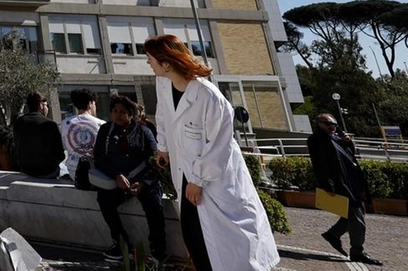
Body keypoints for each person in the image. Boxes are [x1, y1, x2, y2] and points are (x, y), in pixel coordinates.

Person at [145, 34, 278, 271]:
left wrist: (197, 180)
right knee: (194, 236)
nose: (148, 63)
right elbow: (163, 114)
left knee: (229, 243)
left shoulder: (208, 96)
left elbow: (220, 143)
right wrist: (163, 146)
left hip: (213, 180)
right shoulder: (164, 83)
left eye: (150, 58)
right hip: (185, 173)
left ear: (166, 62)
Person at [93, 95, 167, 263]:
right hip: (118, 180)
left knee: (154, 206)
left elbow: (155, 162)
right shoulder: (105, 131)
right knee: (104, 200)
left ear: (131, 114)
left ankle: (158, 251)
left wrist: (142, 183)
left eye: (123, 112)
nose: (118, 115)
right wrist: (116, 175)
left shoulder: (145, 132)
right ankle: (121, 244)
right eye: (115, 111)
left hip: (144, 181)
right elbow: (100, 158)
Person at [309, 113, 381, 265]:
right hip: (340, 183)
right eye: (328, 124)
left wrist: (348, 143)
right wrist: (327, 185)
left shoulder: (338, 139)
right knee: (356, 216)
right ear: (319, 124)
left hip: (353, 182)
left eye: (334, 125)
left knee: (358, 212)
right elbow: (319, 164)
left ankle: (334, 234)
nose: (332, 128)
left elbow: (350, 156)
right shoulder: (317, 140)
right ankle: (357, 251)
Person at [11, 92, 65, 179]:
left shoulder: (19, 123)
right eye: (46, 105)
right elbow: (60, 154)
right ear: (41, 105)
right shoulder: (50, 124)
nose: (47, 108)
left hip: (26, 170)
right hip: (48, 171)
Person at [59, 88, 104, 185]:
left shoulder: (65, 123)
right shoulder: (102, 125)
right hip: (95, 173)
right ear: (90, 104)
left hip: (73, 172)